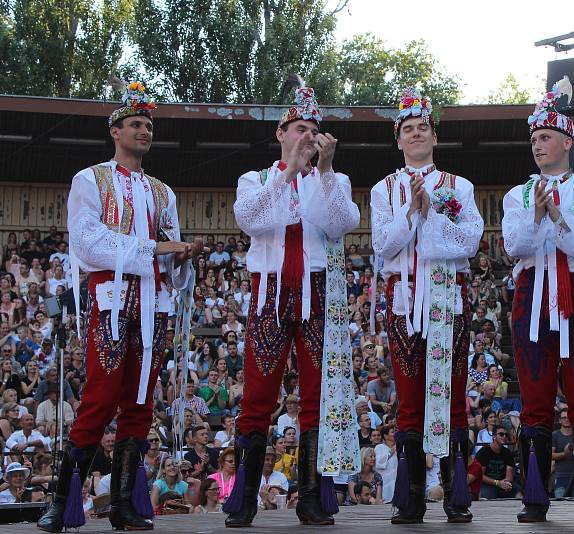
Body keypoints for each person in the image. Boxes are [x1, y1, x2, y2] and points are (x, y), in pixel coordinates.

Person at [38, 81, 199, 533]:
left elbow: (168, 245)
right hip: (110, 298)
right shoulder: (90, 179)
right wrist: (157, 248)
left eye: (148, 125)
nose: (144, 131)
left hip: (157, 303)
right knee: (99, 398)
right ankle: (62, 500)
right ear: (115, 131)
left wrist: (181, 255)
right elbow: (89, 244)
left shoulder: (163, 191)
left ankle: (125, 503)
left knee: (141, 402)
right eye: (135, 124)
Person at [228, 80, 360, 528]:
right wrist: (289, 173)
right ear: (281, 134)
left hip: (318, 294)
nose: (306, 135)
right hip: (269, 294)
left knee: (317, 396)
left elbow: (341, 223)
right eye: (298, 127)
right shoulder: (258, 179)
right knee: (258, 395)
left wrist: (321, 170)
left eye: (312, 129)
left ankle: (311, 497)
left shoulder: (332, 178)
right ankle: (242, 500)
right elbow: (249, 219)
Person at [502, 82, 574, 522]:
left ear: (567, 142)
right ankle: (535, 492)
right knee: (534, 396)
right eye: (533, 139)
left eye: (545, 137)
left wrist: (558, 215)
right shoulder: (519, 194)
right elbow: (514, 246)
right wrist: (537, 214)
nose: (537, 145)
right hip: (532, 297)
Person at [370, 87, 483, 525]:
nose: (416, 134)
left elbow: (470, 241)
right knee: (410, 397)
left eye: (423, 128)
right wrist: (411, 213)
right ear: (398, 140)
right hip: (403, 300)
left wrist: (431, 212)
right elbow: (384, 244)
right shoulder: (385, 189)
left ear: (434, 136)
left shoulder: (459, 186)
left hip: (447, 297)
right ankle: (411, 495)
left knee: (454, 395)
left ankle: (457, 494)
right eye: (408, 129)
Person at [475, 428, 516, 499]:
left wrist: (506, 483)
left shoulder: (508, 453)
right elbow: (480, 476)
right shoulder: (483, 452)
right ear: (494, 436)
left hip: (502, 483)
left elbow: (509, 476)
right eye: (501, 434)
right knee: (488, 496)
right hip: (487, 484)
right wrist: (497, 483)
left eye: (506, 435)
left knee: (517, 492)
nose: (504, 437)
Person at [552, 409, 574, 498]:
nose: (566, 419)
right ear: (559, 420)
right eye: (564, 418)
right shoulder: (555, 435)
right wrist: (564, 454)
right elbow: (551, 455)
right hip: (561, 476)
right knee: (559, 502)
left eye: (568, 417)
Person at [374, 427, 397, 503]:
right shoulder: (379, 447)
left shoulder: (399, 447)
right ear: (386, 436)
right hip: (385, 480)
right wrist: (391, 452)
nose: (395, 434)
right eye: (392, 432)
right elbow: (379, 463)